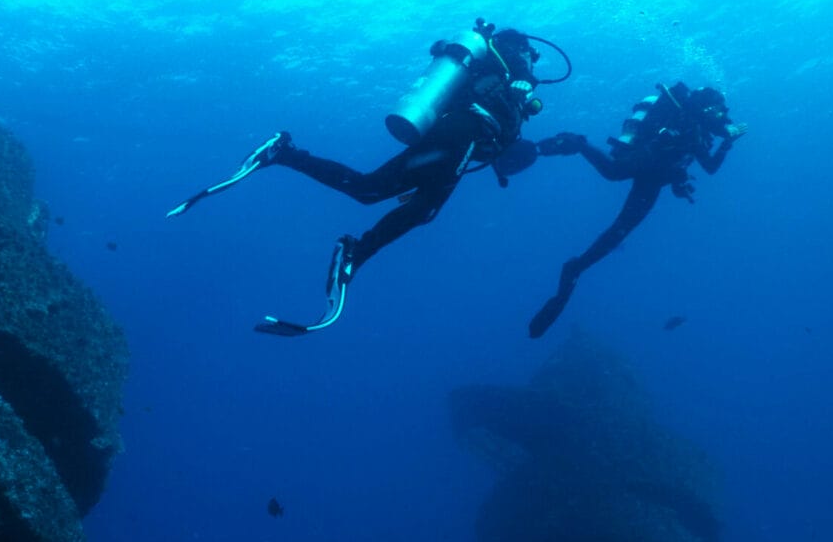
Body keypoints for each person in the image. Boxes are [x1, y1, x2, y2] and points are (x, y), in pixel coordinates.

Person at [167, 20, 568, 335]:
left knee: (377, 193)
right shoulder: (512, 63)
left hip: (458, 137)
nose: (532, 61)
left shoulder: (494, 68)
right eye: (531, 55)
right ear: (521, 48)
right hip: (461, 132)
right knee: (387, 196)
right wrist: (520, 85)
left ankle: (296, 171)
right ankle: (300, 176)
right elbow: (502, 109)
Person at [526, 82, 746, 338]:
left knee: (620, 231)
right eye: (719, 111)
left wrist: (726, 144)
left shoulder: (697, 129)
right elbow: (670, 143)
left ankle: (577, 267)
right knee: (613, 172)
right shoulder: (684, 116)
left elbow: (709, 167)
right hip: (645, 158)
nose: (721, 117)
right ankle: (577, 143)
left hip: (656, 177)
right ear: (707, 107)